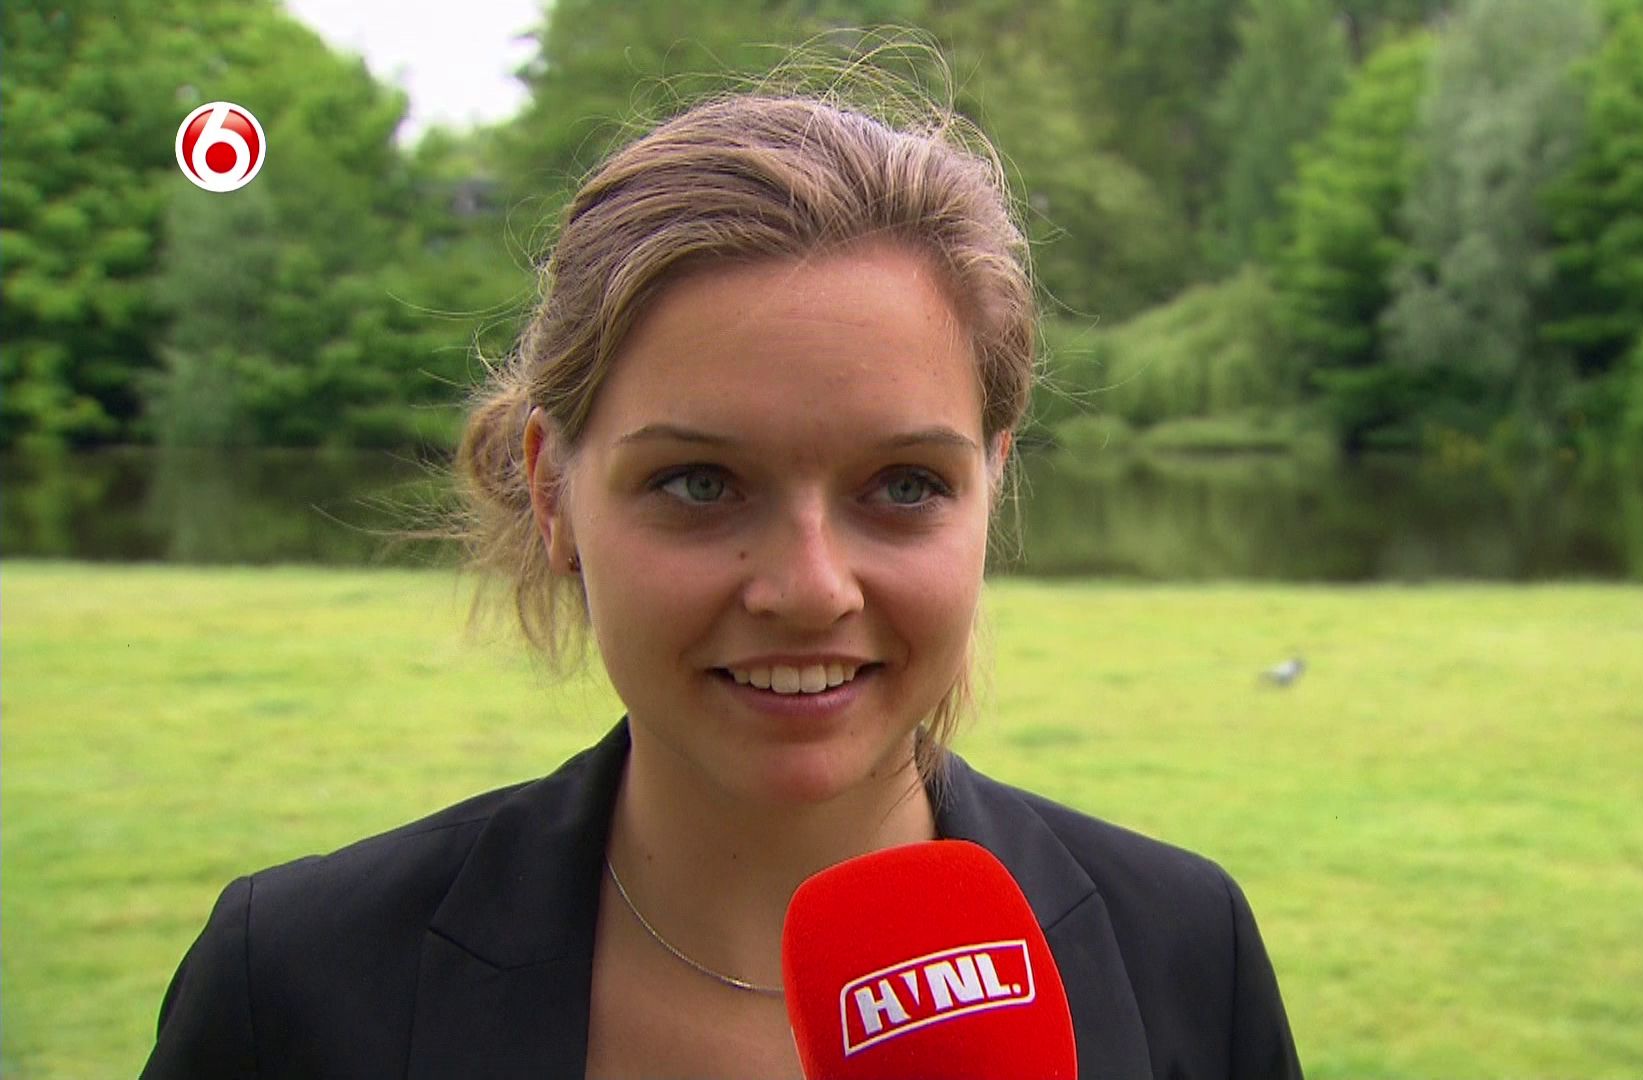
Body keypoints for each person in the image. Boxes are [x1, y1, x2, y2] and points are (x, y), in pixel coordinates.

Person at [141, 87, 1304, 1079]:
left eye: (904, 485)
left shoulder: (1184, 957)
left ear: (991, 484)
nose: (808, 588)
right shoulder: (291, 986)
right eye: (700, 483)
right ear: (552, 492)